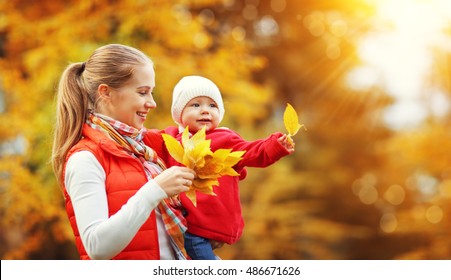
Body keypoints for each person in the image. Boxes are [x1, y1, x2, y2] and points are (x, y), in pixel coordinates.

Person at [51, 44, 196, 260]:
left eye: (151, 92)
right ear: (106, 92)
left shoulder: (146, 150)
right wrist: (154, 190)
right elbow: (96, 247)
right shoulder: (85, 159)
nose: (152, 103)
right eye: (142, 92)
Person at [164, 75, 295, 260]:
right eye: (195, 105)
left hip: (209, 223)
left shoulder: (225, 139)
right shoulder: (170, 139)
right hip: (188, 223)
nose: (205, 111)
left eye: (212, 106)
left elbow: (251, 152)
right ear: (179, 113)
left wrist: (275, 145)